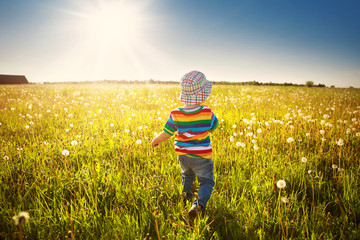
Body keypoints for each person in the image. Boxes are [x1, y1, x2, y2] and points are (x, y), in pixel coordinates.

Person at [151, 70, 219, 218]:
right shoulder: (207, 112)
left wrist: (156, 139)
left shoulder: (175, 113)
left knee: (187, 176)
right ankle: (198, 204)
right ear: (203, 94)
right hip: (201, 157)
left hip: (183, 156)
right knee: (206, 181)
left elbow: (167, 132)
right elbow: (214, 126)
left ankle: (185, 196)